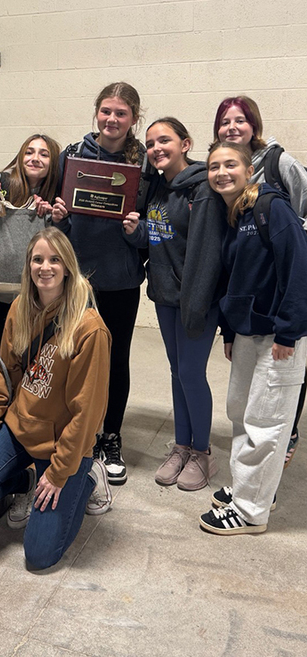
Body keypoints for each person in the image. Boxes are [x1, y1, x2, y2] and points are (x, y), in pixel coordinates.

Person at [0, 228, 111, 570]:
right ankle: (25, 479)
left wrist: (58, 474)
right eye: (37, 259)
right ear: (28, 266)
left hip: (64, 443)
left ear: (68, 266)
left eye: (55, 260)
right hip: (21, 426)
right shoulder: (19, 309)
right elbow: (4, 377)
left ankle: (81, 481)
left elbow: (86, 414)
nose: (45, 267)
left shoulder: (89, 328)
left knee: (39, 556)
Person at [199, 142, 307, 534]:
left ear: (249, 170)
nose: (221, 172)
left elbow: (299, 266)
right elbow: (235, 279)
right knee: (242, 414)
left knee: (267, 421)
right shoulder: (236, 214)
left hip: (278, 335)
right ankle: (247, 487)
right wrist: (229, 330)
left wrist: (289, 331)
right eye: (214, 166)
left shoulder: (271, 207)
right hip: (247, 332)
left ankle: (250, 512)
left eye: (230, 165)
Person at [53, 82, 146, 485]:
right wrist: (57, 215)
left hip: (121, 280)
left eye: (120, 113)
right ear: (96, 113)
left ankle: (110, 437)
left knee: (115, 360)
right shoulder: (71, 156)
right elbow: (56, 212)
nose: (111, 119)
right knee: (68, 357)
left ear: (133, 119)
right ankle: (73, 433)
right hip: (77, 281)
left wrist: (134, 233)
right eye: (106, 111)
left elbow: (151, 226)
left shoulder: (146, 165)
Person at [123, 119, 225, 490]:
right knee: (176, 372)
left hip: (195, 300)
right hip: (165, 296)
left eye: (164, 140)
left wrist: (196, 302)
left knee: (192, 374)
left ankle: (203, 453)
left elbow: (209, 253)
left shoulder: (203, 190)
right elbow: (157, 241)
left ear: (186, 143)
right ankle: (182, 446)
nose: (156, 148)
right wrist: (136, 233)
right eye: (150, 143)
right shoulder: (157, 190)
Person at [212, 95, 307, 467]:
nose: (232, 127)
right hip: (249, 311)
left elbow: (298, 217)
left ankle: (288, 433)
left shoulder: (278, 169)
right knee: (247, 402)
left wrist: (290, 324)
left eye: (240, 120)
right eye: (225, 121)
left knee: (279, 389)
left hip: (283, 295)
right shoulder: (225, 186)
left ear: (255, 126)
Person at [0, 134, 61, 436]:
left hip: (23, 298)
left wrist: (56, 217)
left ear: (53, 162)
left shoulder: (54, 198)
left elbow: (57, 250)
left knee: (17, 367)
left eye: (44, 154)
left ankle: (15, 431)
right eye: (29, 151)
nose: (35, 158)